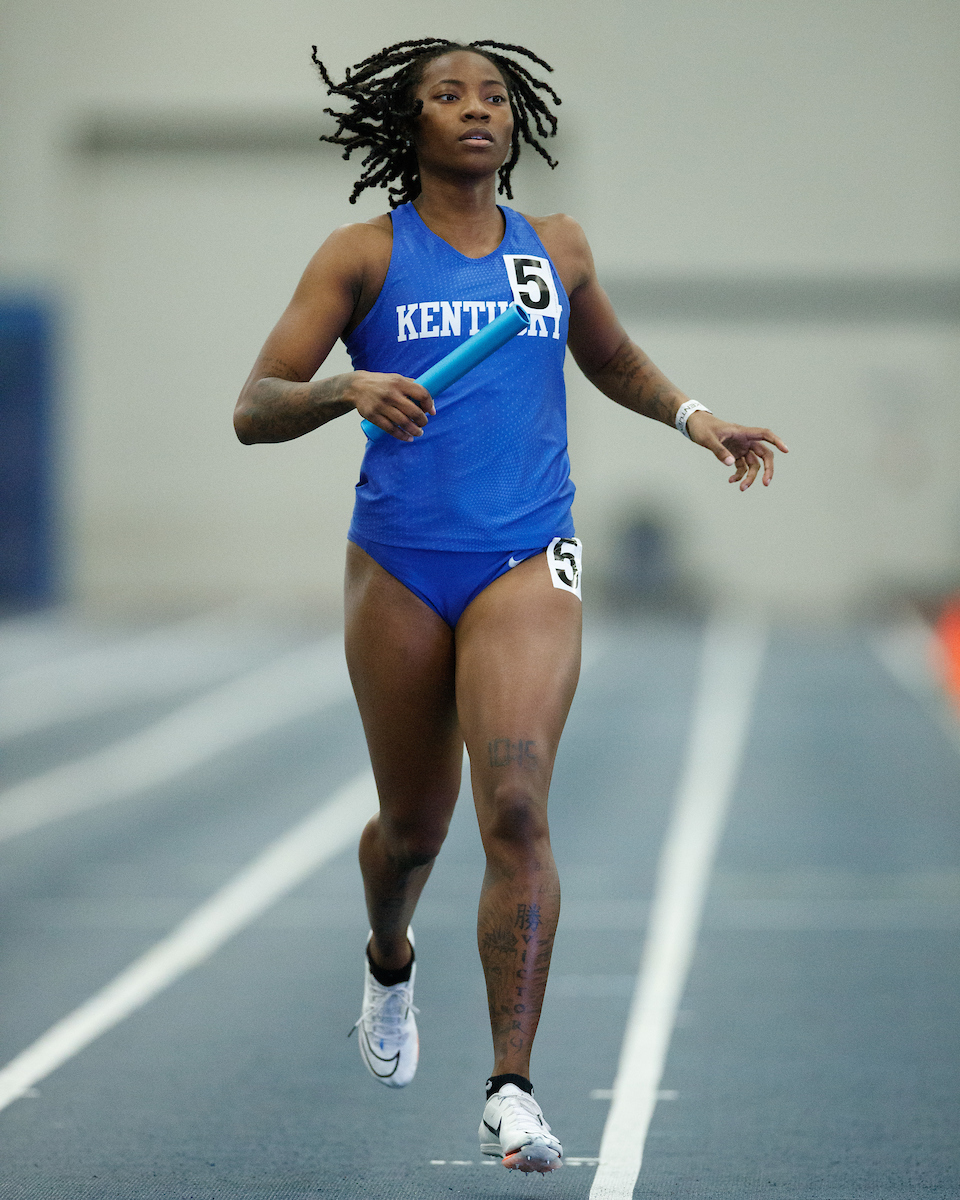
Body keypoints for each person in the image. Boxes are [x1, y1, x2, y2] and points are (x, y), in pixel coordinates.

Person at [233, 37, 787, 1174]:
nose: (477, 110)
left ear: (516, 121)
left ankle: (510, 1089)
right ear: (413, 124)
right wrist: (346, 387)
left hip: (528, 556)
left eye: (494, 95)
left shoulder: (557, 249)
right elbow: (254, 405)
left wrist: (697, 418)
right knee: (413, 832)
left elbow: (615, 360)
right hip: (398, 563)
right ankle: (390, 957)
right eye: (449, 96)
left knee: (520, 802)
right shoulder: (362, 256)